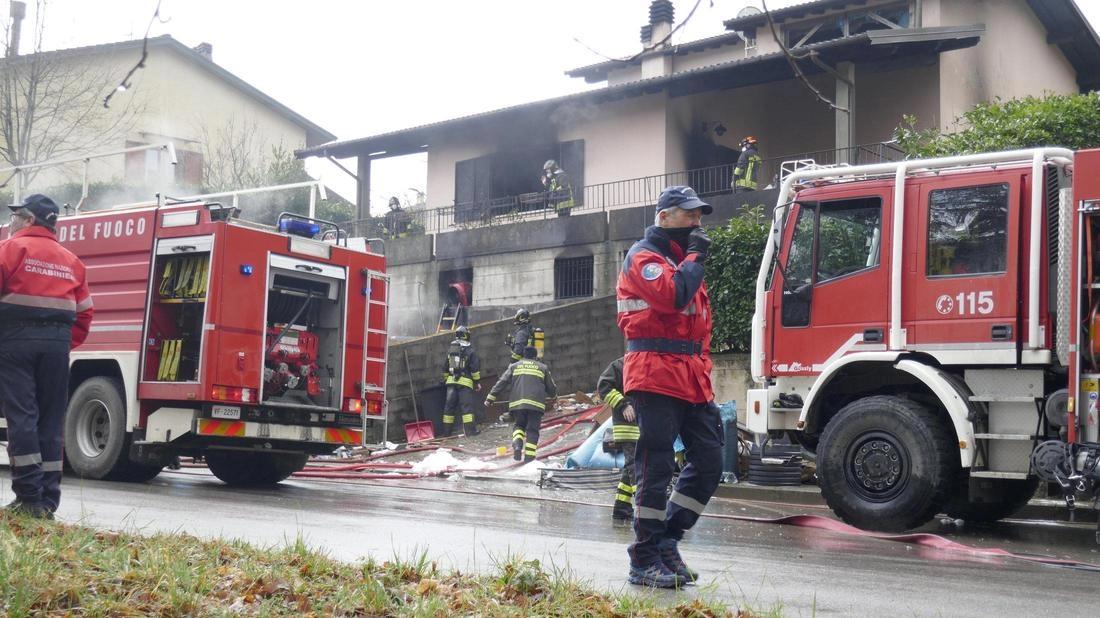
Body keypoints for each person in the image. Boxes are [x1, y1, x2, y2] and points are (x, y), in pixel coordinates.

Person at [616, 185, 723, 589]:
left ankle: (666, 542)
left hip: (691, 375)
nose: (697, 222)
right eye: (689, 214)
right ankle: (643, 558)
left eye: (699, 215)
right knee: (655, 465)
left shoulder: (680, 262)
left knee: (711, 460)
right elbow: (672, 298)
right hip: (654, 371)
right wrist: (694, 258)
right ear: (664, 217)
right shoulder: (644, 257)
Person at [1, 194, 94, 520]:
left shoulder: (9, 250)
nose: (10, 223)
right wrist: (62, 344)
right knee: (51, 420)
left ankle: (28, 498)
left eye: (15, 217)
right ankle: (47, 501)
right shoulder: (72, 261)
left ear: (28, 221)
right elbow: (84, 314)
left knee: (22, 416)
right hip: (57, 345)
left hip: (14, 342)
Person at [484, 346, 557, 462]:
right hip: (536, 406)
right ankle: (529, 458)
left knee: (519, 426)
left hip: (518, 405)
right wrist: (554, 396)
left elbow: (502, 382)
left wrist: (490, 398)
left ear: (524, 355)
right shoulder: (542, 368)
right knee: (532, 430)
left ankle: (517, 446)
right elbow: (551, 388)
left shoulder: (514, 366)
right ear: (535, 356)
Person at [597, 356, 639, 524]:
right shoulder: (620, 365)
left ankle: (621, 509)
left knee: (631, 468)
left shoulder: (647, 363)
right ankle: (644, 509)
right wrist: (623, 405)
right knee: (636, 466)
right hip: (627, 425)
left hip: (643, 425)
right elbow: (603, 387)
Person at [440, 325, 481, 437]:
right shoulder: (470, 350)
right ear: (465, 335)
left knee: (449, 409)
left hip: (451, 383)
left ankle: (446, 433)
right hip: (465, 384)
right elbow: (474, 369)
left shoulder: (451, 349)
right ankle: (470, 432)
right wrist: (477, 382)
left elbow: (445, 367)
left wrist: (446, 380)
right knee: (467, 409)